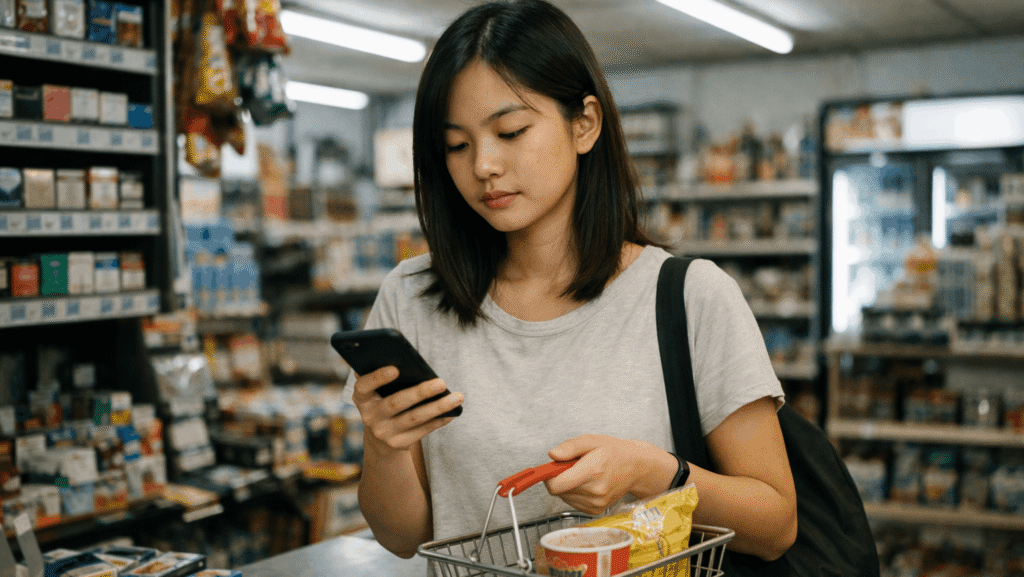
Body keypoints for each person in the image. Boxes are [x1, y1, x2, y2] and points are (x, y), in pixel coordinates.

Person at [345, 0, 797, 564]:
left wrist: (655, 472)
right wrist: (384, 444)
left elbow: (776, 524)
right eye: (456, 145)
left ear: (584, 124)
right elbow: (402, 537)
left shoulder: (691, 297)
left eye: (510, 131)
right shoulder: (411, 297)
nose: (483, 164)